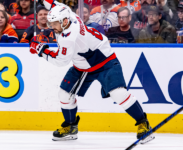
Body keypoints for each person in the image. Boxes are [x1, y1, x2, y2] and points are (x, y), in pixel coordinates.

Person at [31, 0, 155, 143]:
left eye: (54, 24)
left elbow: (61, 60)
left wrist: (41, 50)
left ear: (64, 22)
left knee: (118, 93)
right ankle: (71, 127)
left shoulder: (68, 37)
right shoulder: (68, 15)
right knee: (64, 94)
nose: (52, 27)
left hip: (105, 61)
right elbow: (54, 4)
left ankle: (143, 123)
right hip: (83, 65)